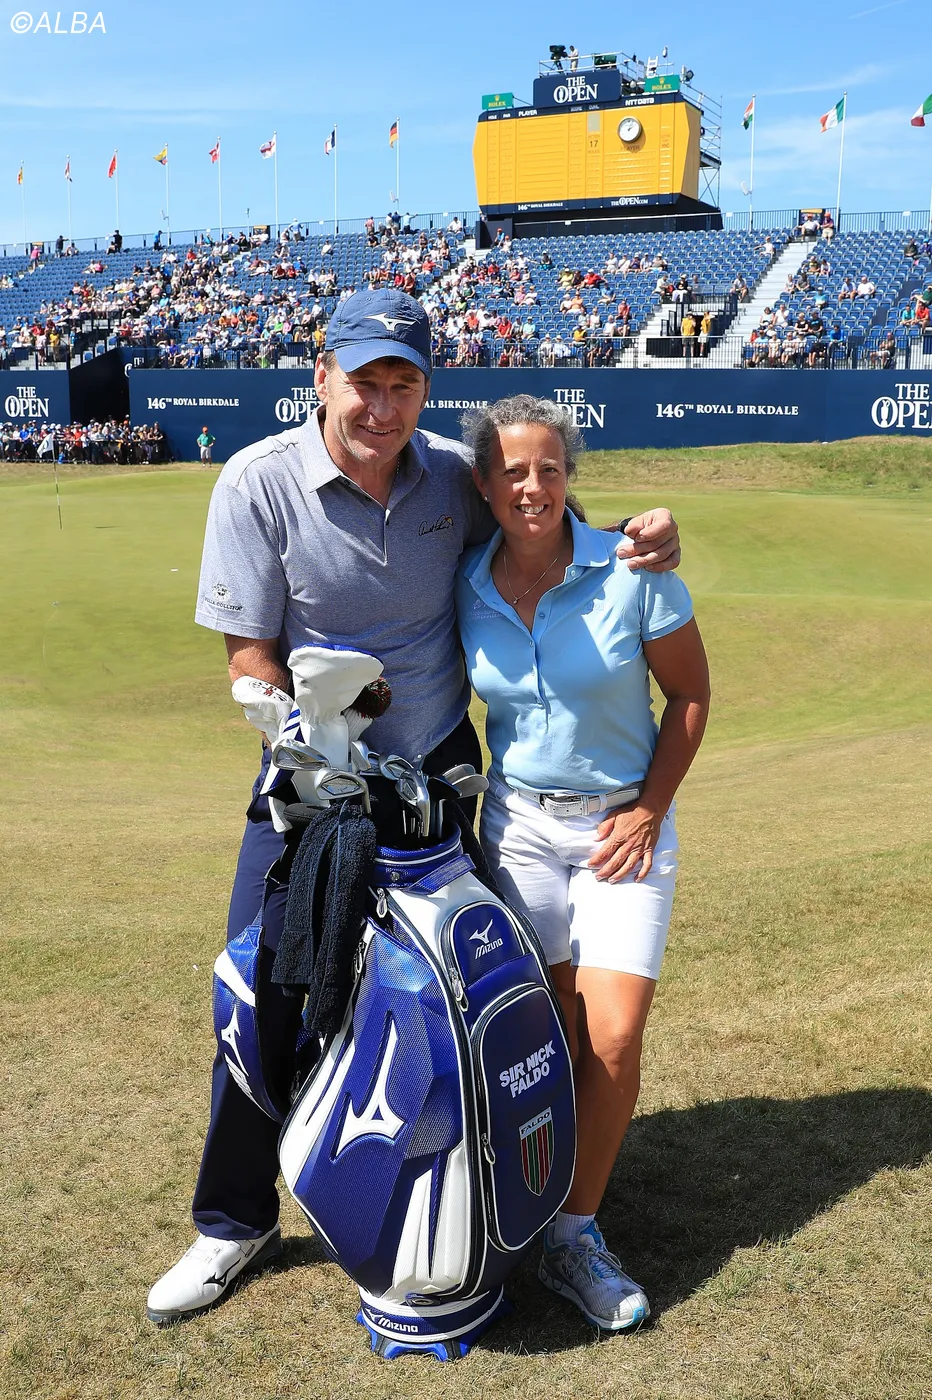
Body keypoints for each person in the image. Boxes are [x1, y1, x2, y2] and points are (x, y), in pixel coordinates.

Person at [146, 289, 682, 1325]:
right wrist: (299, 730)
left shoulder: (448, 473)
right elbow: (249, 657)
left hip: (439, 781)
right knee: (264, 991)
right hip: (311, 783)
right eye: (363, 383)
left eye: (403, 385)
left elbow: (543, 526)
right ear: (321, 377)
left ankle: (481, 1194)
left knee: (463, 998)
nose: (381, 407)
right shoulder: (256, 483)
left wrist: (640, 532)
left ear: (425, 390)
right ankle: (232, 1220)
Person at [455, 395, 709, 1331]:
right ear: (485, 484)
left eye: (550, 469)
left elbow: (690, 695)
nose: (533, 487)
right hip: (518, 828)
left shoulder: (634, 567)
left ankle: (573, 1234)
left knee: (612, 1035)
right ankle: (535, 1191)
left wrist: (649, 809)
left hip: (621, 829)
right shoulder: (466, 581)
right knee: (549, 1030)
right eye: (513, 471)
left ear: (570, 476)